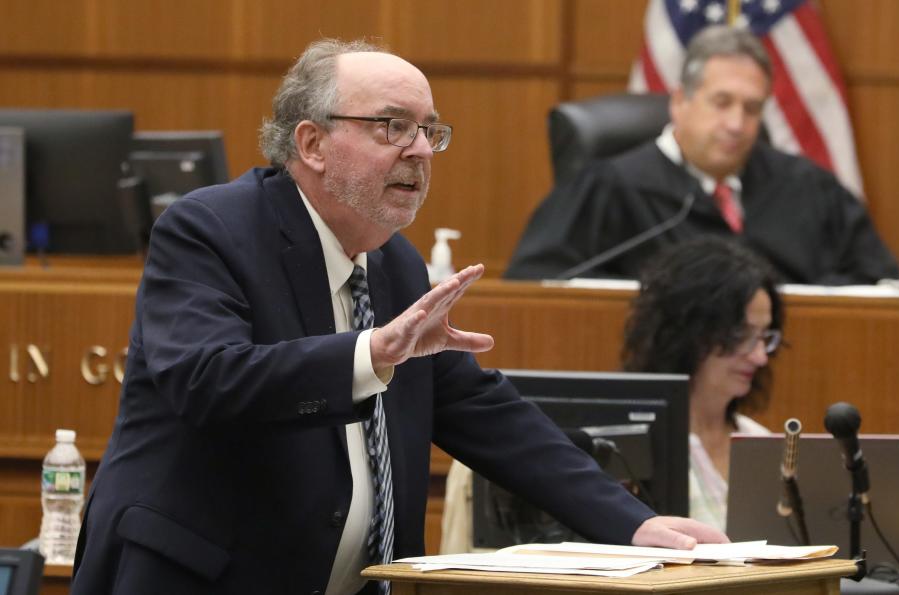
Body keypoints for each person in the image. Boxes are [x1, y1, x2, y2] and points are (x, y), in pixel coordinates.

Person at [70, 39, 727, 595]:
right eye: (392, 126)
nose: (421, 150)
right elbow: (207, 379)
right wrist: (370, 355)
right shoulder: (210, 229)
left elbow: (482, 410)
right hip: (200, 578)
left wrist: (632, 523)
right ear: (313, 142)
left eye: (429, 130)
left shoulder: (397, 266)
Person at [504, 26, 899, 286]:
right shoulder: (609, 186)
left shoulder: (809, 188)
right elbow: (535, 279)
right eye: (722, 103)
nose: (736, 123)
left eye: (751, 108)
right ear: (680, 103)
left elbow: (878, 283)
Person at [622, 237, 783, 531]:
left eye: (764, 337)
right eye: (742, 335)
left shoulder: (761, 443)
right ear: (688, 333)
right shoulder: (633, 448)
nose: (760, 357)